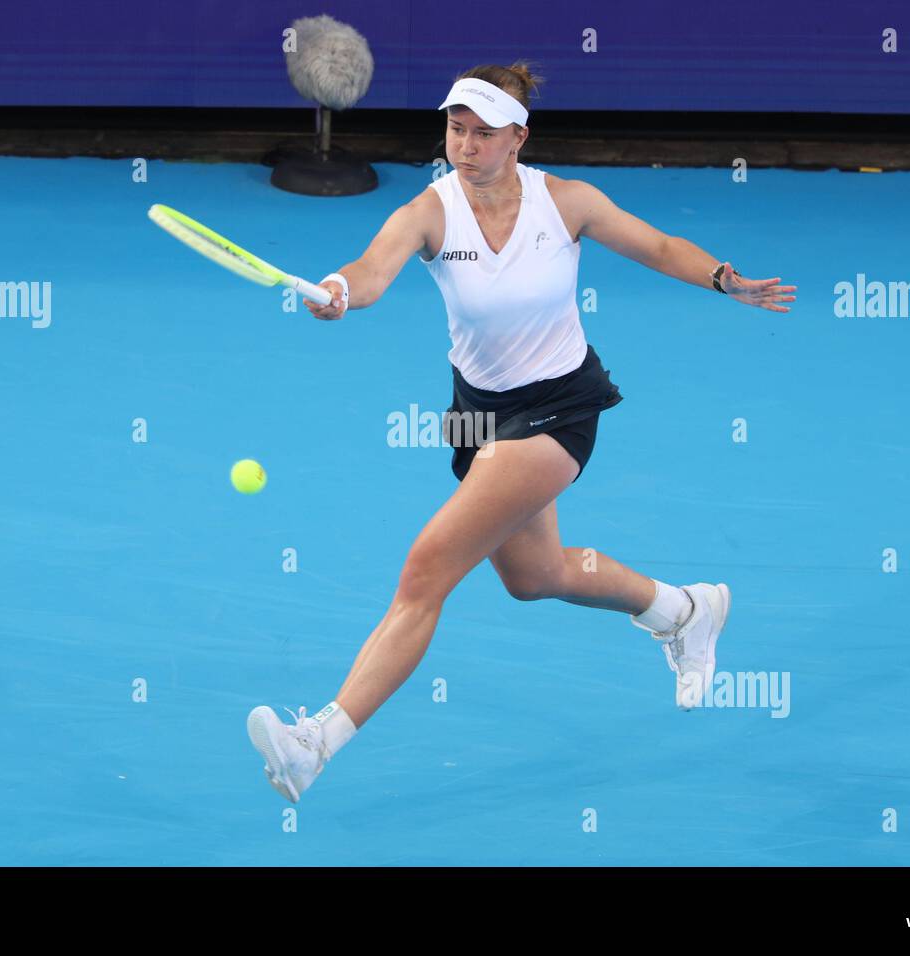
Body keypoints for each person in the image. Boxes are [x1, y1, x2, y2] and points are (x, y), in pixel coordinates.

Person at [247, 61, 796, 803]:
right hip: (478, 413)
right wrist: (341, 291)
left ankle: (317, 742)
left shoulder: (566, 203)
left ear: (517, 138)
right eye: (455, 130)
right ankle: (686, 609)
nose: (464, 147)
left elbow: (661, 246)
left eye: (481, 134)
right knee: (536, 577)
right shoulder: (429, 211)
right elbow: (371, 271)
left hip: (560, 408)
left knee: (426, 570)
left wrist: (727, 280)